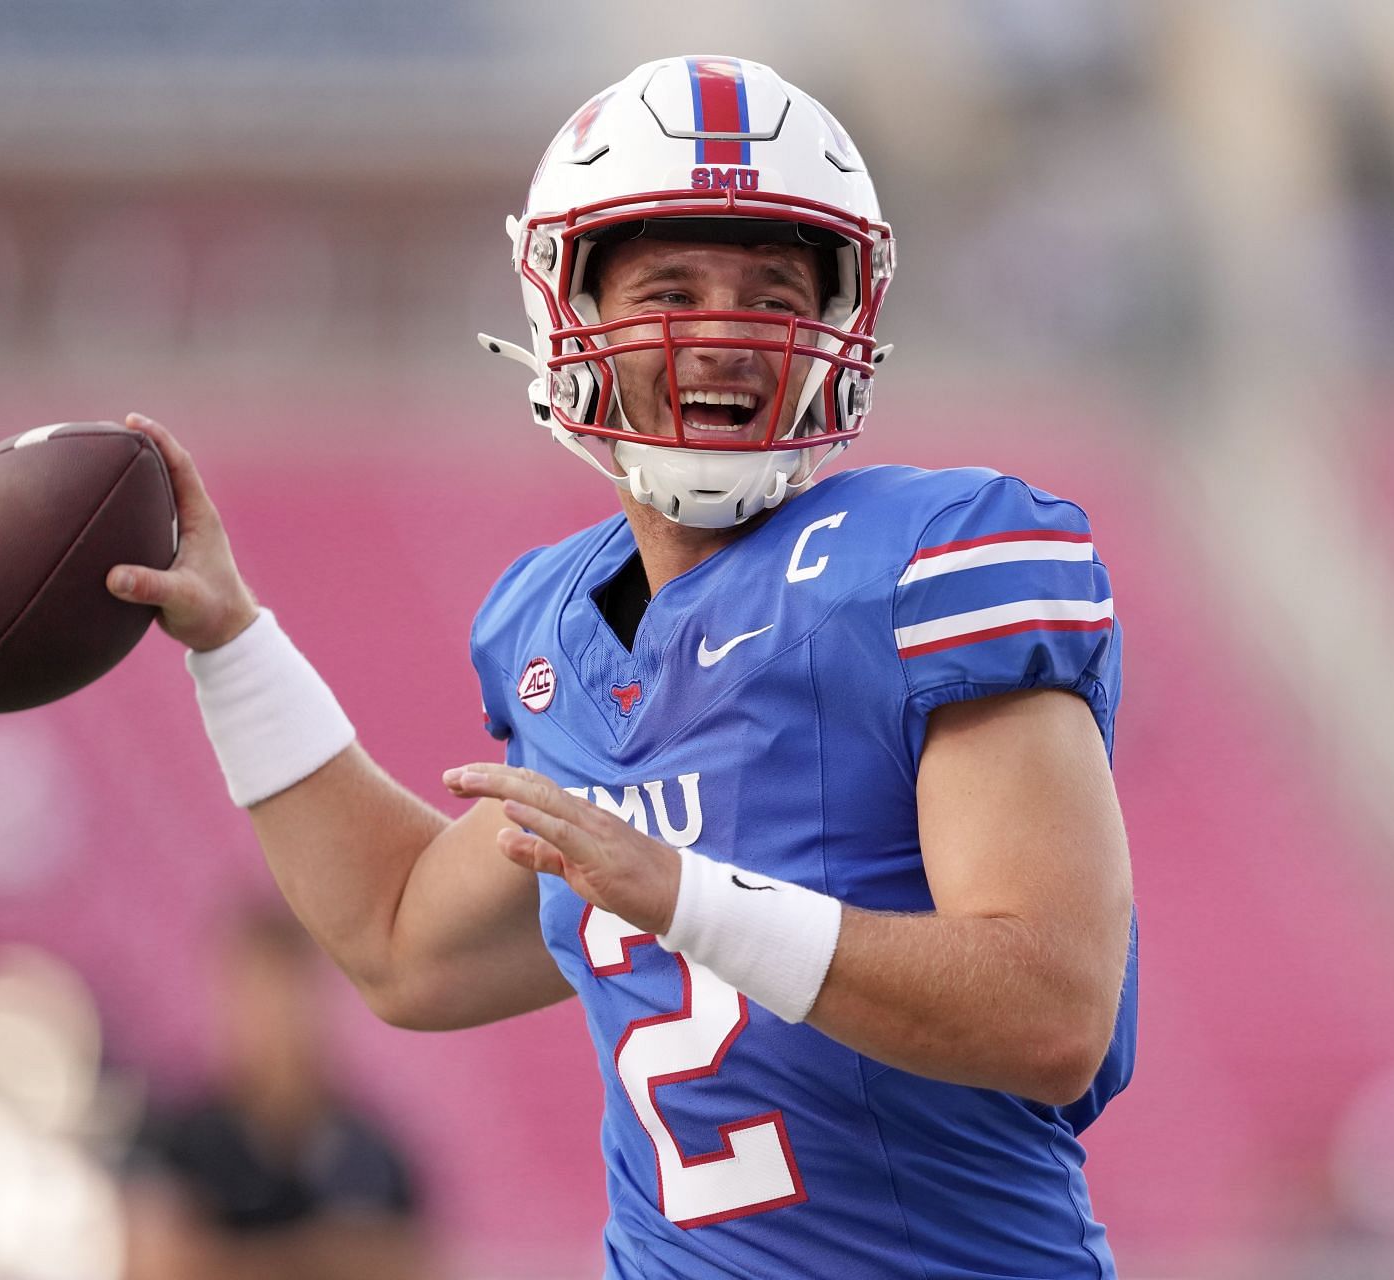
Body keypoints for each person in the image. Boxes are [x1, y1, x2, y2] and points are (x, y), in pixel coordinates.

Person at [107, 54, 1136, 1280]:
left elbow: (1053, 1007)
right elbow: (400, 942)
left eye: (768, 292)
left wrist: (682, 893)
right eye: (671, 287)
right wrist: (232, 644)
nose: (722, 333)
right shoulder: (556, 627)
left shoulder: (931, 559)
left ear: (836, 326)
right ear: (573, 317)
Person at [123, 902, 428, 1280]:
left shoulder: (375, 1153)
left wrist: (230, 1257)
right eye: (262, 995)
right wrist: (324, 1256)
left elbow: (409, 1264)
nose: (279, 1020)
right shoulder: (178, 1141)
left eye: (292, 995)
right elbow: (160, 1266)